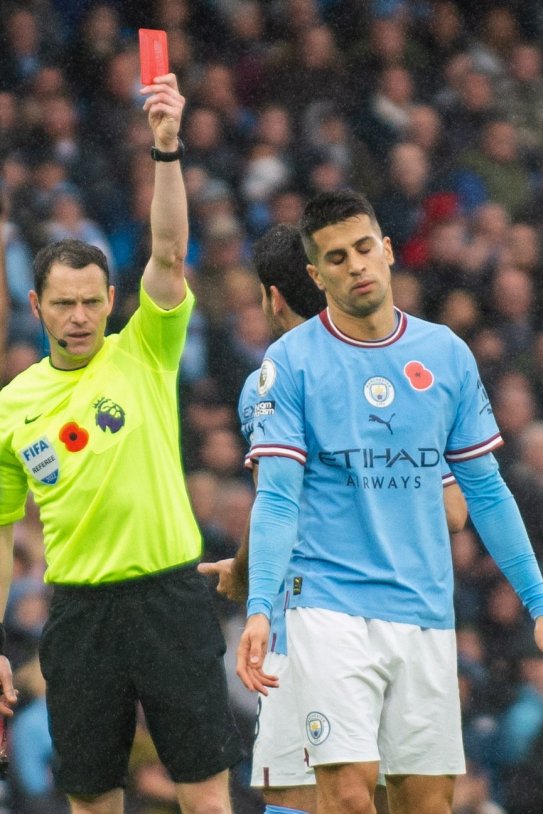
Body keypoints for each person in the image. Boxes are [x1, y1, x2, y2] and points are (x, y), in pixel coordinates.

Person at [236, 189, 543, 814]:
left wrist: (538, 599)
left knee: (426, 802)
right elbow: (276, 500)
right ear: (316, 276)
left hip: (425, 609)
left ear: (389, 249)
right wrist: (261, 607)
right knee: (347, 796)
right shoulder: (288, 364)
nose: (356, 265)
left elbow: (483, 490)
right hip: (329, 609)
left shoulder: (445, 354)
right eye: (337, 257)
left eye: (364, 248)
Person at [0, 73, 243, 814]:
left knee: (204, 796)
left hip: (170, 597)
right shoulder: (13, 406)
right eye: (63, 304)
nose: (78, 317)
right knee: (91, 801)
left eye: (91, 302)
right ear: (37, 305)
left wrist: (166, 150)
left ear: (112, 300)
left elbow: (168, 252)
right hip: (78, 612)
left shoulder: (145, 348)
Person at [200, 223, 467, 814]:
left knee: (301, 794)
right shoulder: (403, 372)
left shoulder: (269, 380)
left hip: (312, 618)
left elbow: (280, 503)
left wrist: (247, 578)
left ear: (273, 296)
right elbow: (454, 510)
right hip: (410, 617)